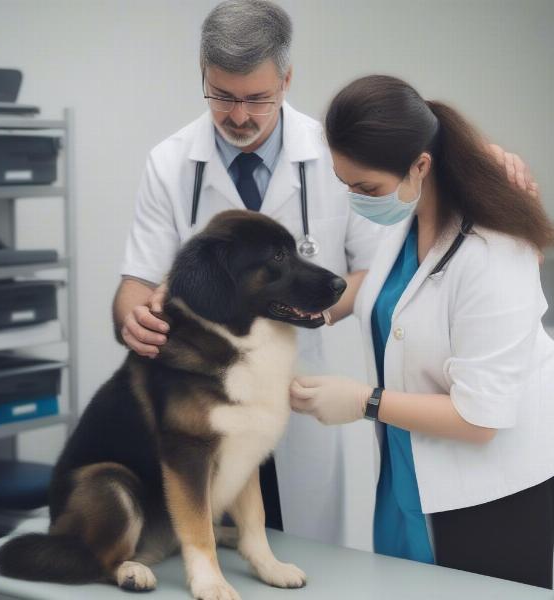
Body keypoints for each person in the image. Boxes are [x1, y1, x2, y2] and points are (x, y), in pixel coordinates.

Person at [113, 0, 534, 547]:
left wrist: (292, 321)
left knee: (295, 554)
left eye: (257, 98)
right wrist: (134, 315)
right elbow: (139, 281)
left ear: (286, 79)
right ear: (204, 77)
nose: (239, 115)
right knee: (201, 549)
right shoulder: (170, 162)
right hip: (203, 398)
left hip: (300, 398)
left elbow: (373, 273)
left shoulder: (341, 159)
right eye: (223, 97)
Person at [289, 74, 554, 588]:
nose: (355, 200)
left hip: (490, 498)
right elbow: (390, 294)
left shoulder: (494, 253)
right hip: (407, 475)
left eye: (365, 188)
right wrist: (304, 307)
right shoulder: (408, 223)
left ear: (421, 165)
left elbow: (481, 417)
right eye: (345, 184)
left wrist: (364, 401)